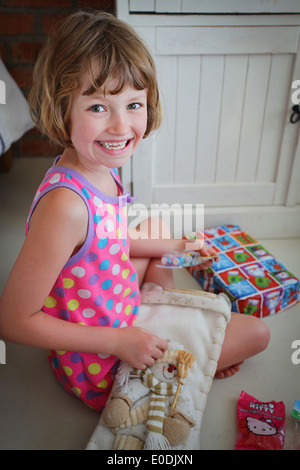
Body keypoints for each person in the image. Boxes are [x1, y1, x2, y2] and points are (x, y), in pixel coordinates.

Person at [0, 10, 270, 411]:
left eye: (134, 104)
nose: (121, 126)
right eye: (97, 107)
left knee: (155, 227)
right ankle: (182, 343)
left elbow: (109, 239)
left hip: (115, 305)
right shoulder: (65, 207)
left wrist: (180, 243)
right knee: (257, 334)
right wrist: (119, 341)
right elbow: (13, 320)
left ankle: (169, 315)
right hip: (102, 361)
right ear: (62, 108)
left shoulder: (96, 168)